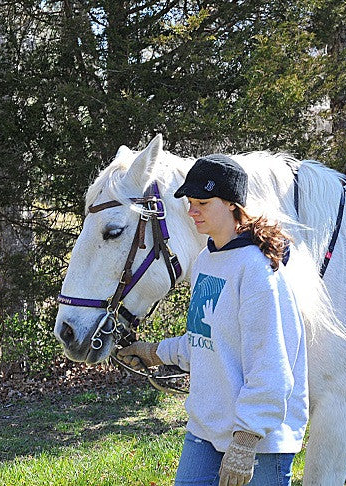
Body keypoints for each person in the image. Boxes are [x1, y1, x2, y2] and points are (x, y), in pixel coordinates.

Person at [117, 154, 307, 486]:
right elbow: (205, 340)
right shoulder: (206, 261)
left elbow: (271, 366)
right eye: (190, 202)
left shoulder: (257, 270)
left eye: (202, 202)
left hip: (259, 439)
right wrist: (153, 352)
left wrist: (246, 441)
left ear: (232, 204)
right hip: (207, 427)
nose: (191, 211)